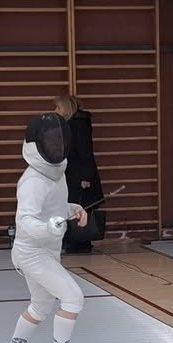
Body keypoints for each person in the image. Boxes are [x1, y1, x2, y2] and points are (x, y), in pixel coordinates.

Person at [0, 110, 90, 343]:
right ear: (38, 143)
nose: (56, 144)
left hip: (46, 251)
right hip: (31, 253)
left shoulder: (56, 171)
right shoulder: (33, 181)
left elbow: (54, 208)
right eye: (51, 140)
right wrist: (49, 228)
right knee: (73, 298)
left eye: (59, 139)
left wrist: (73, 209)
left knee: (41, 305)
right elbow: (25, 221)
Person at [60, 94, 104, 253]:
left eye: (59, 107)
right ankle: (76, 241)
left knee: (79, 205)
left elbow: (85, 152)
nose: (56, 110)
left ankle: (79, 241)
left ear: (67, 108)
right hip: (74, 172)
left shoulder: (77, 126)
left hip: (79, 174)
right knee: (76, 205)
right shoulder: (73, 125)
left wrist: (86, 177)